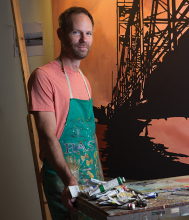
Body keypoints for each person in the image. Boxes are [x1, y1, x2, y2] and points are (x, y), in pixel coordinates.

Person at [28, 6, 104, 220]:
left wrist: (100, 178)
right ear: (61, 34)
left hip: (91, 181)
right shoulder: (43, 77)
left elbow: (91, 135)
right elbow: (47, 135)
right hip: (64, 181)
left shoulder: (84, 80)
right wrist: (71, 183)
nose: (84, 39)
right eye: (76, 32)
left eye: (88, 33)